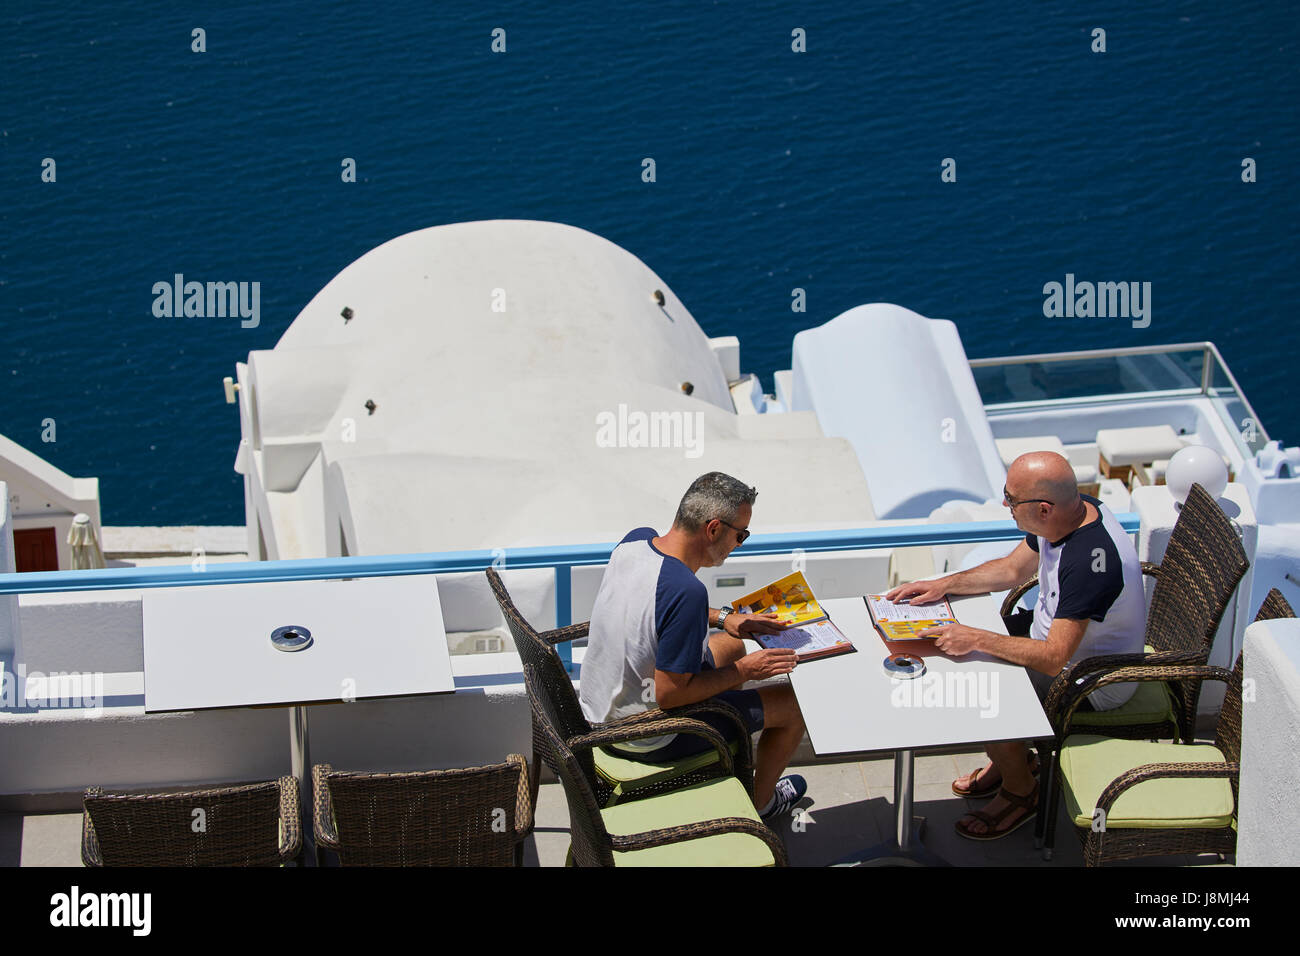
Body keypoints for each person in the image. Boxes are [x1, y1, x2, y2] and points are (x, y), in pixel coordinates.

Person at [885, 451, 1145, 840]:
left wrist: (975, 637)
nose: (1005, 505)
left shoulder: (1091, 565)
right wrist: (944, 584)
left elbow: (1055, 659)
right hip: (1055, 645)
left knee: (981, 686)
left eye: (1010, 499)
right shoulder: (1071, 512)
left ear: (1043, 509)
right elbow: (1011, 569)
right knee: (971, 655)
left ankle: (1022, 791)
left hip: (1091, 682)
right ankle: (1012, 760)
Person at [579, 471, 809, 821]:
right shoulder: (687, 591)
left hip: (601, 715)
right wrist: (746, 671)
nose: (740, 544)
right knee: (792, 706)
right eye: (740, 535)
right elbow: (670, 695)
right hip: (649, 734)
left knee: (733, 644)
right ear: (714, 529)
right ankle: (762, 805)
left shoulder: (635, 542)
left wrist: (725, 619)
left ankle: (727, 760)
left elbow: (656, 604)